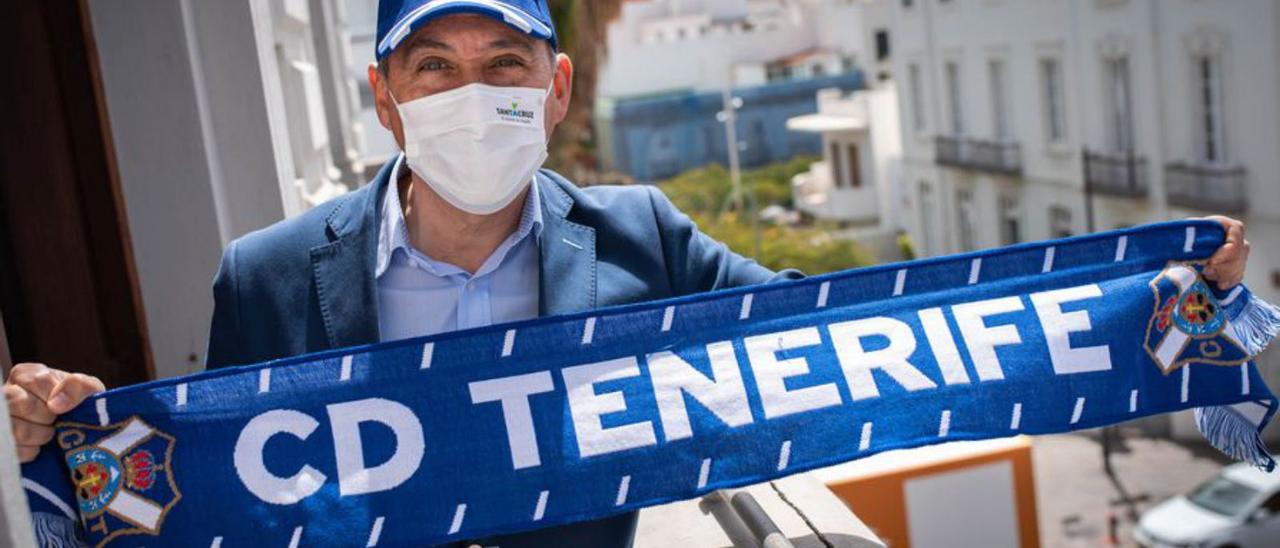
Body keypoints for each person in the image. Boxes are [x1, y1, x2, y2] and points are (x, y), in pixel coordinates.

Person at [2, 0, 1254, 545]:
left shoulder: (644, 233)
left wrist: (1137, 297)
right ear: (381, 99)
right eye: (431, 67)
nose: (468, 91)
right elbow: (219, 478)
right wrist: (65, 435)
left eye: (503, 60)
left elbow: (852, 332)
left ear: (556, 87)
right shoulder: (265, 271)